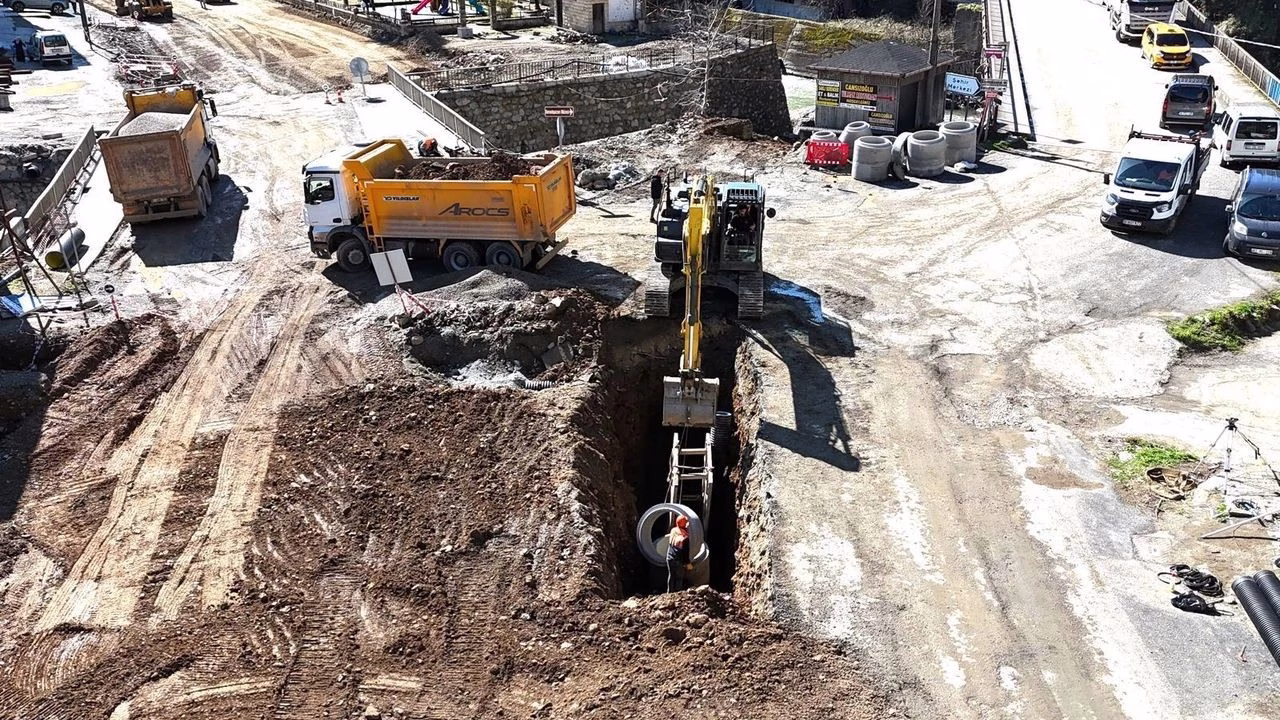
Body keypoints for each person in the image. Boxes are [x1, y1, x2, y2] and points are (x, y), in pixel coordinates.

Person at [665, 515, 692, 593]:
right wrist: (688, 565)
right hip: (678, 560)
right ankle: (677, 595)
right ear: (684, 524)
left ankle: (669, 593)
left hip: (669, 557)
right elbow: (685, 554)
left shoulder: (673, 530)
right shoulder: (685, 538)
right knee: (679, 577)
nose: (687, 524)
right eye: (686, 523)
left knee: (671, 576)